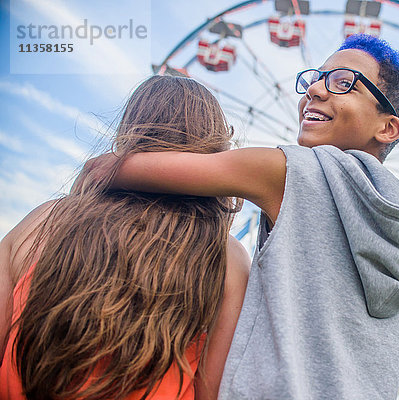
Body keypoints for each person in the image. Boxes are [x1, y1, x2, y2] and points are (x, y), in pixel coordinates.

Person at [89, 33, 399, 399]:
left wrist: (84, 190)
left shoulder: (293, 171)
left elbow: (118, 169)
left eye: (344, 83)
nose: (314, 90)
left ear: (387, 128)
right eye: (315, 78)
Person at [0, 75, 251, 400]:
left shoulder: (43, 221)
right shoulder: (227, 259)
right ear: (215, 144)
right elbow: (213, 391)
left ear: (127, 133)